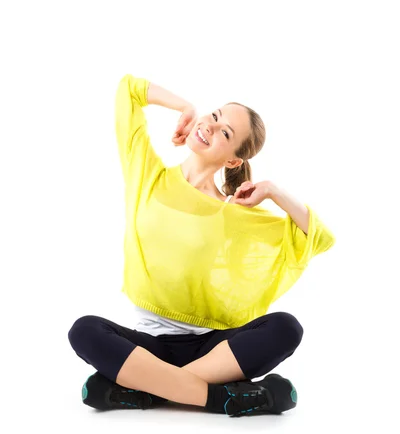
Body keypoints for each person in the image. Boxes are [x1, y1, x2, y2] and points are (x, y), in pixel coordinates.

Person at [68, 75, 336, 417]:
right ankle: (224, 399)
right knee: (85, 330)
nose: (211, 126)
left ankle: (145, 390)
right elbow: (129, 90)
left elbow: (321, 238)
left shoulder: (233, 212)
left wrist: (272, 191)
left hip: (215, 351)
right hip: (148, 347)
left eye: (226, 132)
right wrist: (185, 106)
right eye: (214, 115)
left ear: (233, 161)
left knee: (286, 327)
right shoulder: (147, 174)